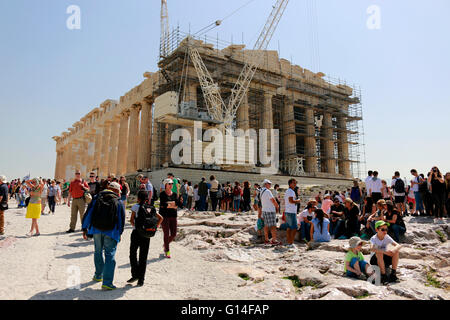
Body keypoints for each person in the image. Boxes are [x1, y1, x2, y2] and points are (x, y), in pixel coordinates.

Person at [82, 182, 125, 290]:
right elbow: (121, 219)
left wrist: (84, 228)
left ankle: (98, 275)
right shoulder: (118, 201)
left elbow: (89, 213)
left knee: (97, 251)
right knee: (110, 255)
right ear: (115, 190)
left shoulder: (97, 198)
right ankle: (107, 283)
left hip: (96, 229)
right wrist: (120, 233)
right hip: (111, 232)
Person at [128, 190, 163, 286]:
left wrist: (137, 226)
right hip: (147, 235)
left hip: (136, 233)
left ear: (138, 198)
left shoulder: (135, 207)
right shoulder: (151, 208)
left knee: (133, 254)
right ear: (147, 198)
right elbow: (161, 218)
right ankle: (141, 280)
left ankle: (135, 274)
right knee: (143, 257)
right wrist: (155, 227)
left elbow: (131, 220)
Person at [160, 179, 179, 258]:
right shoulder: (162, 194)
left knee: (174, 234)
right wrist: (172, 205)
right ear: (165, 185)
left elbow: (177, 204)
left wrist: (169, 204)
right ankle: (167, 250)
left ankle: (165, 244)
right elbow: (163, 205)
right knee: (166, 233)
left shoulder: (174, 194)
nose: (171, 185)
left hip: (173, 215)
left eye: (172, 183)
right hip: (165, 216)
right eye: (169, 184)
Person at [260, 179, 280, 245]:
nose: (270, 185)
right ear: (265, 184)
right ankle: (274, 240)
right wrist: (277, 206)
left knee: (266, 225)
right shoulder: (268, 191)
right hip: (270, 210)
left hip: (264, 210)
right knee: (273, 226)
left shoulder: (261, 191)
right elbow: (273, 200)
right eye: (269, 183)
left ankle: (266, 239)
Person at [284, 179, 301, 246]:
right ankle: (291, 242)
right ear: (290, 184)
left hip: (288, 211)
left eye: (295, 183)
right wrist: (297, 201)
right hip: (291, 211)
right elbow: (291, 201)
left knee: (289, 228)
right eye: (293, 183)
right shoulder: (291, 191)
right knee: (294, 228)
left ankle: (289, 242)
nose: (295, 184)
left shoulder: (288, 191)